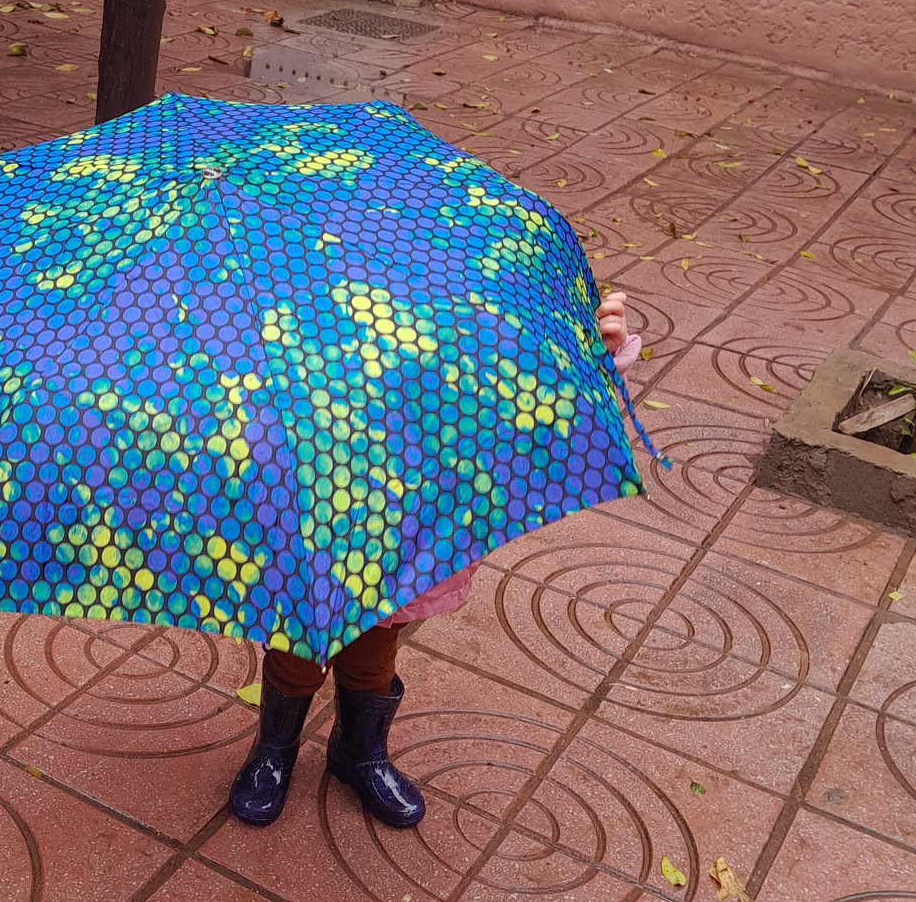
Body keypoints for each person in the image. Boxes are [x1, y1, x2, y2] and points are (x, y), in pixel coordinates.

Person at [228, 290, 640, 831]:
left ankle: (358, 752)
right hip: (305, 487)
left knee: (377, 640)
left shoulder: (443, 268)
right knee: (298, 640)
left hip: (410, 491)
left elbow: (507, 358)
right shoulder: (265, 278)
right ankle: (274, 749)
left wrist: (587, 355)